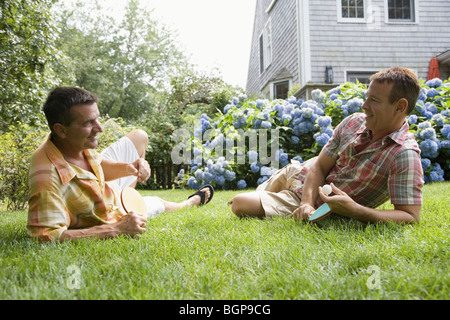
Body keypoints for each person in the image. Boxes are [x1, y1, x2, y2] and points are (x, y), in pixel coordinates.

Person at [229, 67, 424, 224]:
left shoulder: (403, 153)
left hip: (310, 200)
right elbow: (320, 166)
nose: (364, 105)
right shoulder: (353, 122)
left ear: (400, 106)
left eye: (373, 100)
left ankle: (264, 198)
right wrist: (306, 202)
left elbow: (410, 216)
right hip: (300, 174)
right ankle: (265, 195)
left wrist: (356, 211)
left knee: (240, 203)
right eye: (367, 97)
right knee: (253, 196)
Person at [27, 86, 214, 242]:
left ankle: (131, 195)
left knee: (139, 136)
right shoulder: (47, 177)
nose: (99, 128)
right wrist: (117, 228)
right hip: (109, 211)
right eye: (88, 123)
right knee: (156, 204)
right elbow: (47, 235)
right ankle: (188, 203)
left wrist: (130, 168)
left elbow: (98, 165)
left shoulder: (73, 141)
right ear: (61, 130)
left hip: (108, 192)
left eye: (97, 118)